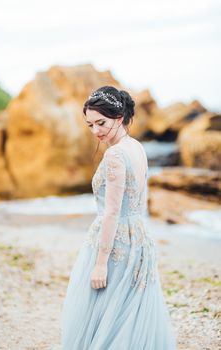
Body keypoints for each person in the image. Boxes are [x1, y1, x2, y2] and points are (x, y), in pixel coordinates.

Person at [60, 86, 177, 349]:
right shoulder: (136, 147)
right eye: (90, 125)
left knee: (106, 308)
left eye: (101, 123)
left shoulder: (115, 154)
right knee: (127, 311)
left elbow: (112, 211)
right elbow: (138, 199)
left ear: (120, 117)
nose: (96, 131)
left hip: (114, 241)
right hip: (138, 234)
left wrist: (100, 263)